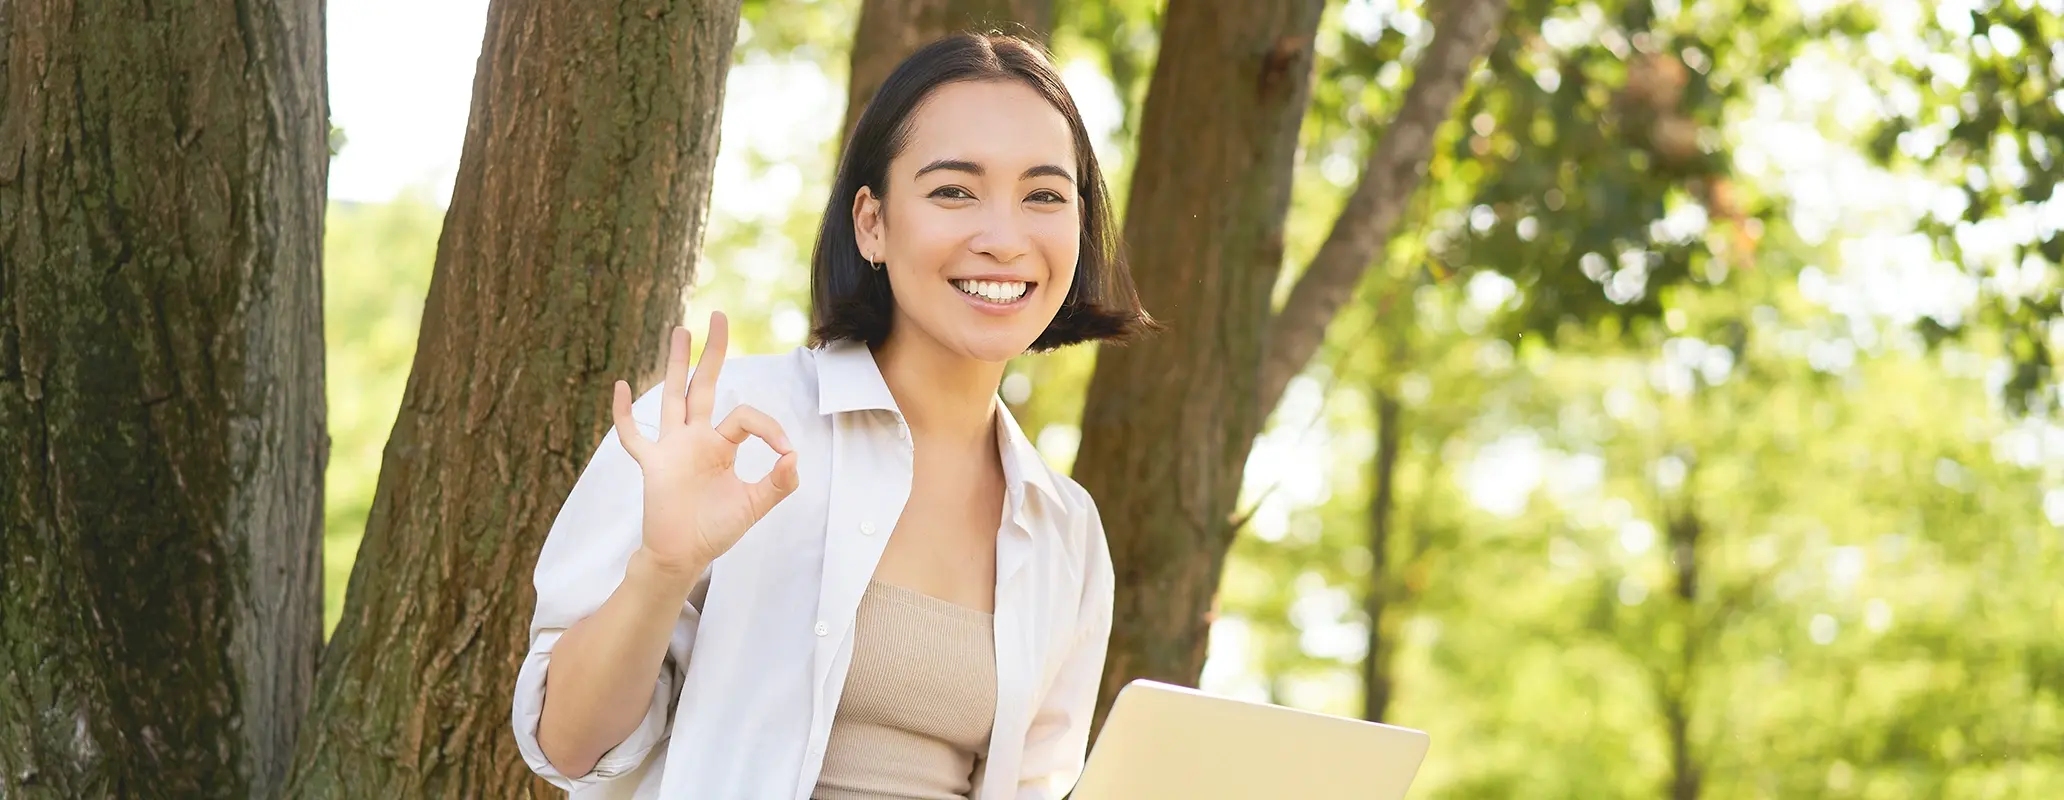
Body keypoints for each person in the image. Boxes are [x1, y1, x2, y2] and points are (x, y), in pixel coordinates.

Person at [510, 31, 1155, 800]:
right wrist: (663, 570)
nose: (1004, 238)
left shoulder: (1066, 530)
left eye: (1044, 195)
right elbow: (567, 745)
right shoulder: (720, 432)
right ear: (872, 223)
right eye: (954, 190)